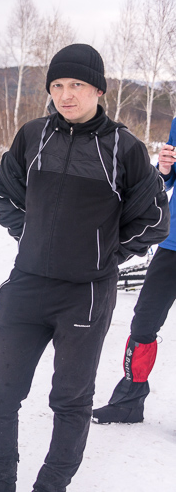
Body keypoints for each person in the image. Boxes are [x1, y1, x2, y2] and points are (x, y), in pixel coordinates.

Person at [0, 44, 170, 492]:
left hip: (85, 293)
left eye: (76, 86)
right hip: (27, 285)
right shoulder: (33, 136)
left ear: (97, 90)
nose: (66, 95)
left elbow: (152, 219)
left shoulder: (123, 148)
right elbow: (4, 190)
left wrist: (105, 255)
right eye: (57, 86)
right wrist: (28, 234)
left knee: (69, 400)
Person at [92, 119, 176, 425]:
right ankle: (130, 401)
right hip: (172, 245)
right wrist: (164, 168)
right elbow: (166, 180)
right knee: (144, 322)